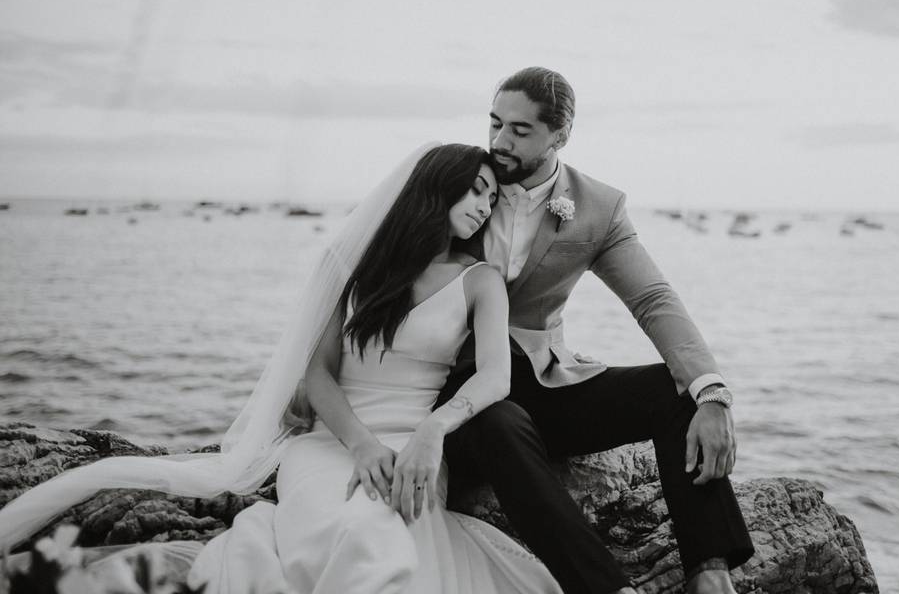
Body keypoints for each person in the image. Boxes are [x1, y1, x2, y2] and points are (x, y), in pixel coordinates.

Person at [0, 143, 562, 594]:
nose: (486, 206)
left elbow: (495, 377)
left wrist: (432, 432)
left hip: (410, 443)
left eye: (493, 199)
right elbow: (317, 374)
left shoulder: (481, 279)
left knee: (377, 534)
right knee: (346, 528)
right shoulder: (358, 269)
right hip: (330, 441)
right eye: (478, 190)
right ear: (438, 186)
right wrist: (361, 445)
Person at [436, 68, 755, 594]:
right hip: (461, 388)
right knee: (501, 422)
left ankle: (711, 573)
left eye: (519, 131)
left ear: (560, 136)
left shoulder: (598, 207)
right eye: (494, 124)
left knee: (673, 394)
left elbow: (652, 298)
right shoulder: (463, 180)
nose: (499, 142)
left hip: (539, 379)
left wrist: (712, 393)